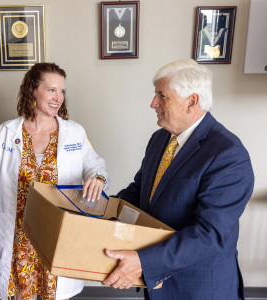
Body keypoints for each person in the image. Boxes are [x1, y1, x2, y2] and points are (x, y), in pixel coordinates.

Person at [102, 59, 254, 300]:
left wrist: (143, 260)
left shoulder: (228, 154)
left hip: (200, 288)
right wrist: (100, 210)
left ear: (191, 102)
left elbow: (209, 235)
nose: (153, 103)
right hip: (158, 285)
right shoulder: (159, 139)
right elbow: (140, 192)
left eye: (161, 96)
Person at [0, 62, 110, 300]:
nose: (58, 97)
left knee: (55, 292)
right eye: (51, 90)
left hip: (57, 234)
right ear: (33, 90)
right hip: (20, 235)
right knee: (23, 295)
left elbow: (95, 165)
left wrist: (98, 177)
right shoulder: (7, 132)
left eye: (62, 91)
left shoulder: (74, 132)